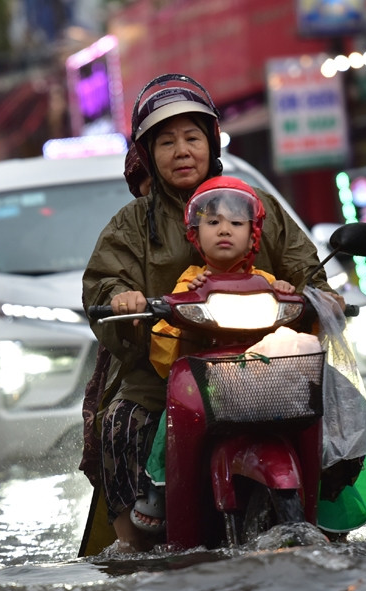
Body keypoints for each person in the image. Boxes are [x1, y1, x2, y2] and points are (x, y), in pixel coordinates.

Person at [81, 73, 335, 552]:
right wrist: (124, 299)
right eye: (167, 141)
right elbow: (104, 279)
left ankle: (327, 506)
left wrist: (318, 291)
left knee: (335, 415)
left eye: (192, 137)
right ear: (147, 154)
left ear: (211, 143)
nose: (181, 151)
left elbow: (302, 264)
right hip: (161, 372)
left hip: (262, 367)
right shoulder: (133, 223)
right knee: (121, 423)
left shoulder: (256, 206)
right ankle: (135, 545)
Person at [131, 175, 295, 531]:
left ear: (253, 233)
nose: (225, 230)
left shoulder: (266, 280)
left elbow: (290, 324)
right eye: (213, 222)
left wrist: (285, 291)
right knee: (171, 414)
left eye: (237, 223)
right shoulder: (189, 281)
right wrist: (180, 302)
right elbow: (165, 344)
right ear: (195, 232)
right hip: (205, 385)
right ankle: (159, 483)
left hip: (258, 381)